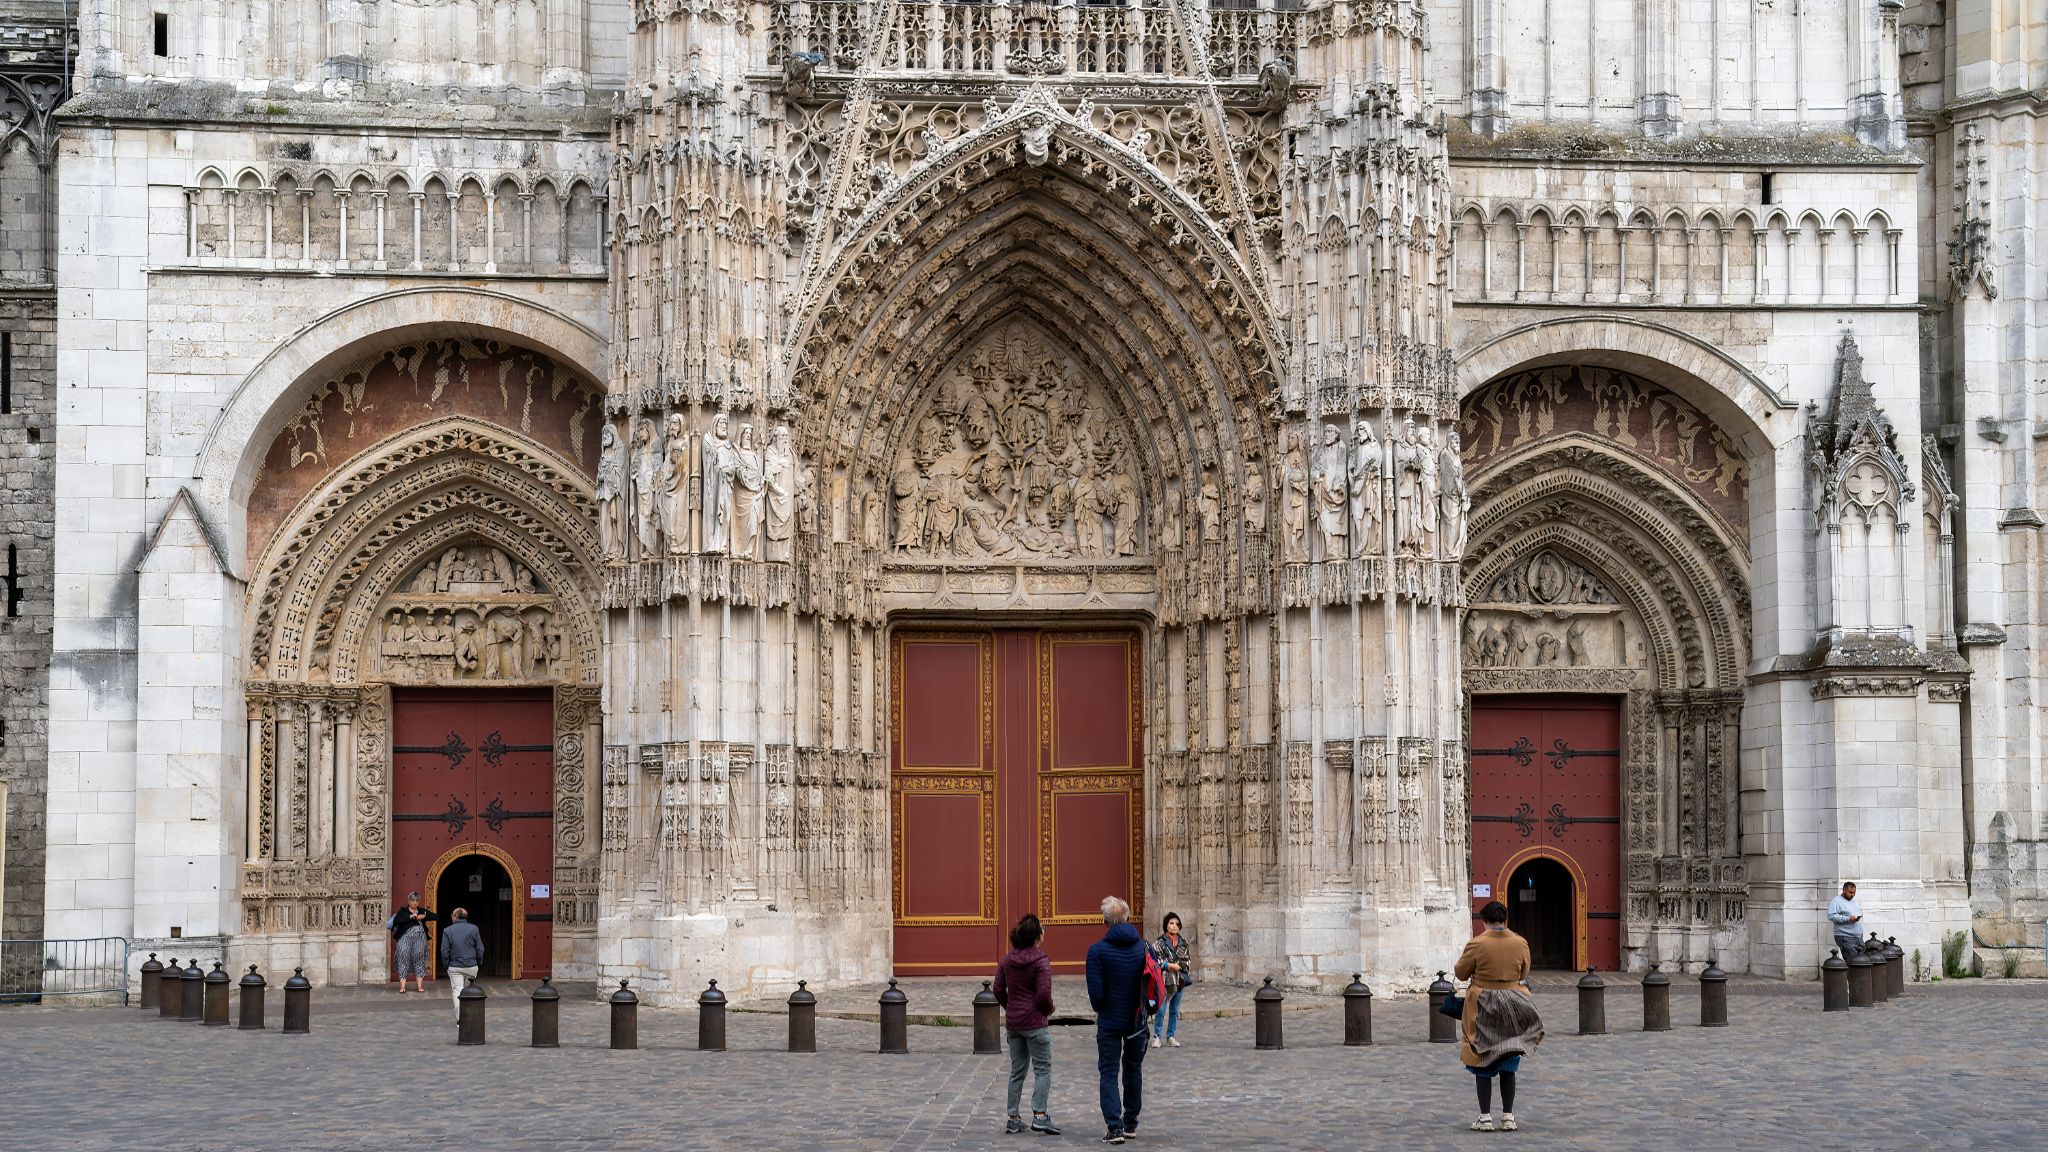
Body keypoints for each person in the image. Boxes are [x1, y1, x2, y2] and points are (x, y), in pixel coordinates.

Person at [1455, 900, 1544, 1133]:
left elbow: (1460, 973)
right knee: (1508, 1060)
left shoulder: (1477, 943)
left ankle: (1485, 1117)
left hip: (1483, 1002)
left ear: (1484, 921)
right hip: (1514, 1002)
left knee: (1482, 1058)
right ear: (1505, 920)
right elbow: (1524, 971)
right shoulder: (1520, 942)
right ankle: (1508, 1116)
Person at [1085, 895, 1150, 1145]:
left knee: (1109, 1072)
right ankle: (1131, 1123)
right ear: (1128, 918)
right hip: (1137, 1021)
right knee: (1133, 1070)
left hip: (1110, 1021)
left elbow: (1097, 996)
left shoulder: (1097, 951)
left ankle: (1115, 1127)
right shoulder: (1143, 947)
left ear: (1105, 922)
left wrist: (1103, 1008)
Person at [994, 913, 1061, 1136]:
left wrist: (1011, 1007)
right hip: (1035, 1023)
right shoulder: (1041, 961)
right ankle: (1040, 1115)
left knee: (1017, 1071)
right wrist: (1048, 1010)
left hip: (1014, 1024)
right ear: (1037, 936)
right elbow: (1043, 995)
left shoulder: (1007, 960)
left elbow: (997, 990)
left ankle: (1012, 1117)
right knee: (1042, 1070)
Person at [1149, 912, 1193, 1048]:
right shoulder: (1159, 943)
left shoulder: (1184, 943)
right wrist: (1168, 965)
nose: (1174, 926)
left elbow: (1187, 960)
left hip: (1179, 980)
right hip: (1163, 980)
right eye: (1171, 923)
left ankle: (1171, 1036)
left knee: (1174, 1010)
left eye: (1177, 924)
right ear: (1166, 926)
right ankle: (1157, 1036)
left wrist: (1178, 965)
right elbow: (1154, 961)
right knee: (1161, 1010)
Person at [438, 907, 485, 1023]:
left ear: (456, 917)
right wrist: (478, 962)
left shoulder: (447, 930)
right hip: (471, 966)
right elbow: (480, 948)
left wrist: (446, 965)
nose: (452, 917)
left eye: (452, 916)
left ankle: (461, 1018)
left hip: (454, 966)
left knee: (457, 990)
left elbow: (444, 951)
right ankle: (470, 1016)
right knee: (469, 991)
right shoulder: (474, 929)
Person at [388, 892, 434, 994]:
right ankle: (402, 987)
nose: (415, 903)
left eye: (417, 900)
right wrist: (411, 916)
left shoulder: (421, 910)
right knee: (403, 958)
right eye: (413, 900)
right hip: (405, 939)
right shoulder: (403, 911)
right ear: (409, 901)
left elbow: (435, 916)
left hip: (419, 939)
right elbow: (397, 921)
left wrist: (424, 915)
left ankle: (420, 986)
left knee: (419, 959)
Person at [1827, 881, 1864, 961]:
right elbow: (1831, 916)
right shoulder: (1835, 901)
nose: (1853, 895)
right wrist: (1848, 918)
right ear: (1844, 890)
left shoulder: (1854, 902)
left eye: (1854, 892)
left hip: (1857, 937)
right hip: (1845, 936)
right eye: (1850, 892)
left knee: (1861, 962)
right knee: (1853, 962)